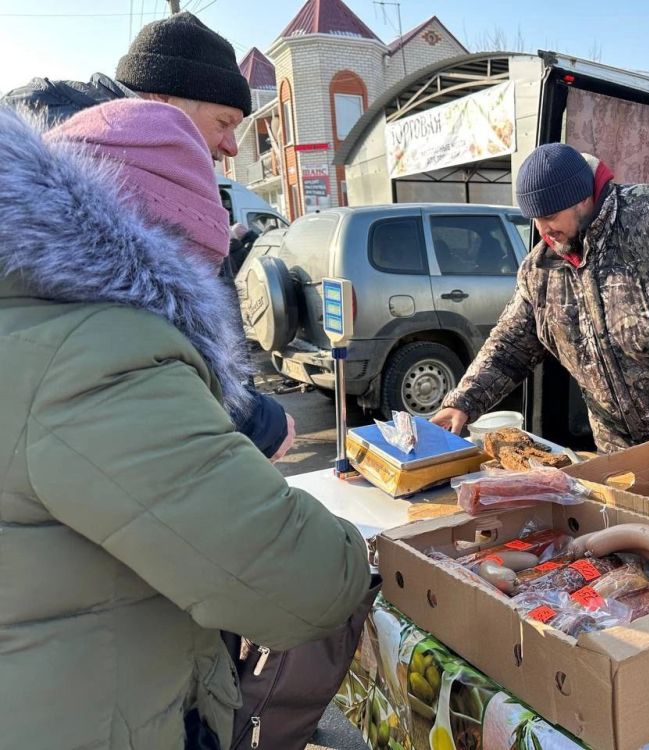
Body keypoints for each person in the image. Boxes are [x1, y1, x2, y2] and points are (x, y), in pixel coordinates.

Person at [0, 99, 371, 749]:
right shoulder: (100, 353)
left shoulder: (25, 318)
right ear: (157, 262)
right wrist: (358, 547)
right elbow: (303, 578)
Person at [1, 11, 293, 460]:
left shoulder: (126, 167)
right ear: (160, 102)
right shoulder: (120, 178)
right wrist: (250, 420)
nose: (232, 147)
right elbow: (140, 372)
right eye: (224, 122)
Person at [432, 144, 649, 453]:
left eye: (550, 216)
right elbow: (510, 344)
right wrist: (464, 402)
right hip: (625, 449)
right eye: (534, 218)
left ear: (583, 198)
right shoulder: (541, 269)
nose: (542, 230)